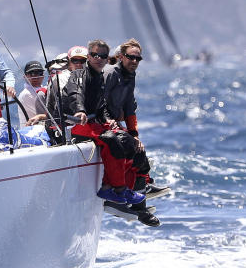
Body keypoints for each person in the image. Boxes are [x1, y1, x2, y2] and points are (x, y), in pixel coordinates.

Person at [53, 39, 159, 225]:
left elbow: (103, 106)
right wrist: (80, 110)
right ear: (89, 56)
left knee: (128, 142)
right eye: (95, 55)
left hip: (94, 122)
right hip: (75, 123)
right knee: (112, 141)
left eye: (103, 56)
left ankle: (122, 189)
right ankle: (116, 189)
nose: (99, 59)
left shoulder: (100, 76)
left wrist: (112, 123)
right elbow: (75, 93)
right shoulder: (80, 74)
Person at [103, 38, 165, 198]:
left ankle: (141, 193)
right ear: (121, 56)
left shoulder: (130, 76)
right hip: (102, 121)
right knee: (128, 147)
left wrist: (135, 134)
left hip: (115, 122)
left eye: (138, 58)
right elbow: (98, 101)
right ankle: (122, 192)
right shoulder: (110, 73)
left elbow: (130, 108)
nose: (134, 61)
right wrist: (110, 121)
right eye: (131, 57)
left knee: (138, 148)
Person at [17, 60, 47, 125]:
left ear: (43, 75)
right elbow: (48, 114)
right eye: (32, 73)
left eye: (39, 73)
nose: (36, 77)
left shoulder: (43, 90)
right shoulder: (26, 94)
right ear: (25, 76)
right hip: (33, 132)